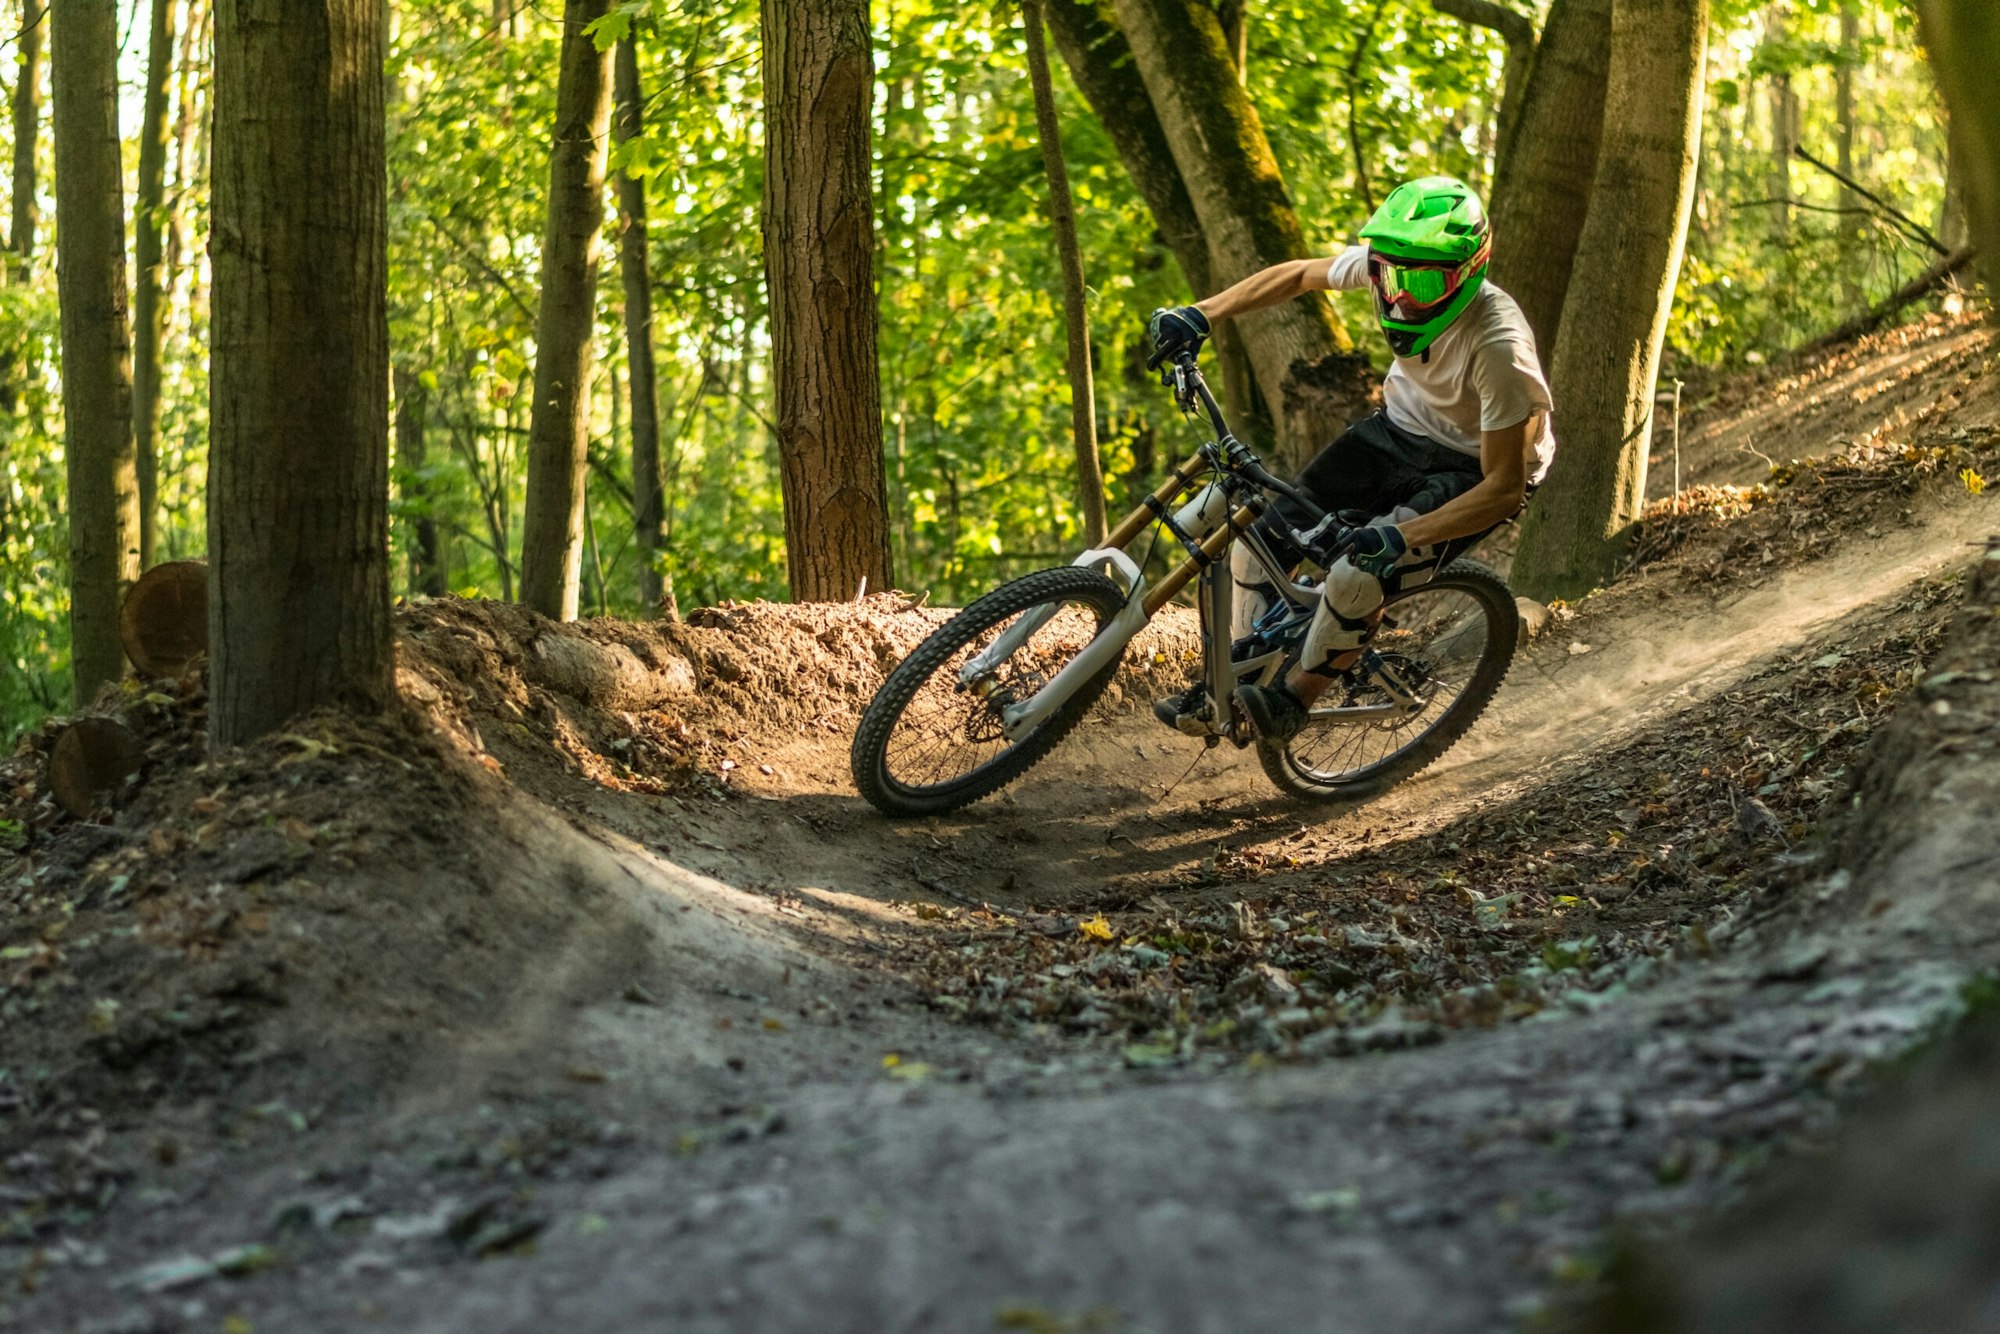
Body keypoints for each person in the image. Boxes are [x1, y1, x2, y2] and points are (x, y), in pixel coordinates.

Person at [1146, 174, 1556, 742]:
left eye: (1421, 281)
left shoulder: (1500, 348)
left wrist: (1398, 540)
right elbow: (1296, 274)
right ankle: (1237, 674)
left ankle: (1292, 701)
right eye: (1390, 275)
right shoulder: (1393, 265)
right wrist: (1202, 314)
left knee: (1356, 576)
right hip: (1398, 429)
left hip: (1471, 467)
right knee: (1257, 545)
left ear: (1468, 272)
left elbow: (1504, 488)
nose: (1399, 295)